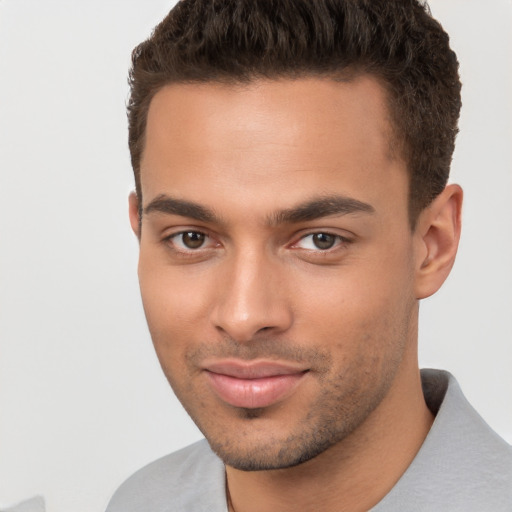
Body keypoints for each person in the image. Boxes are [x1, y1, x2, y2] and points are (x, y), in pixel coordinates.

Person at [106, 0, 512, 510]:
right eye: (192, 238)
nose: (244, 316)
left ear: (433, 245)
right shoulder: (141, 501)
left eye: (321, 240)